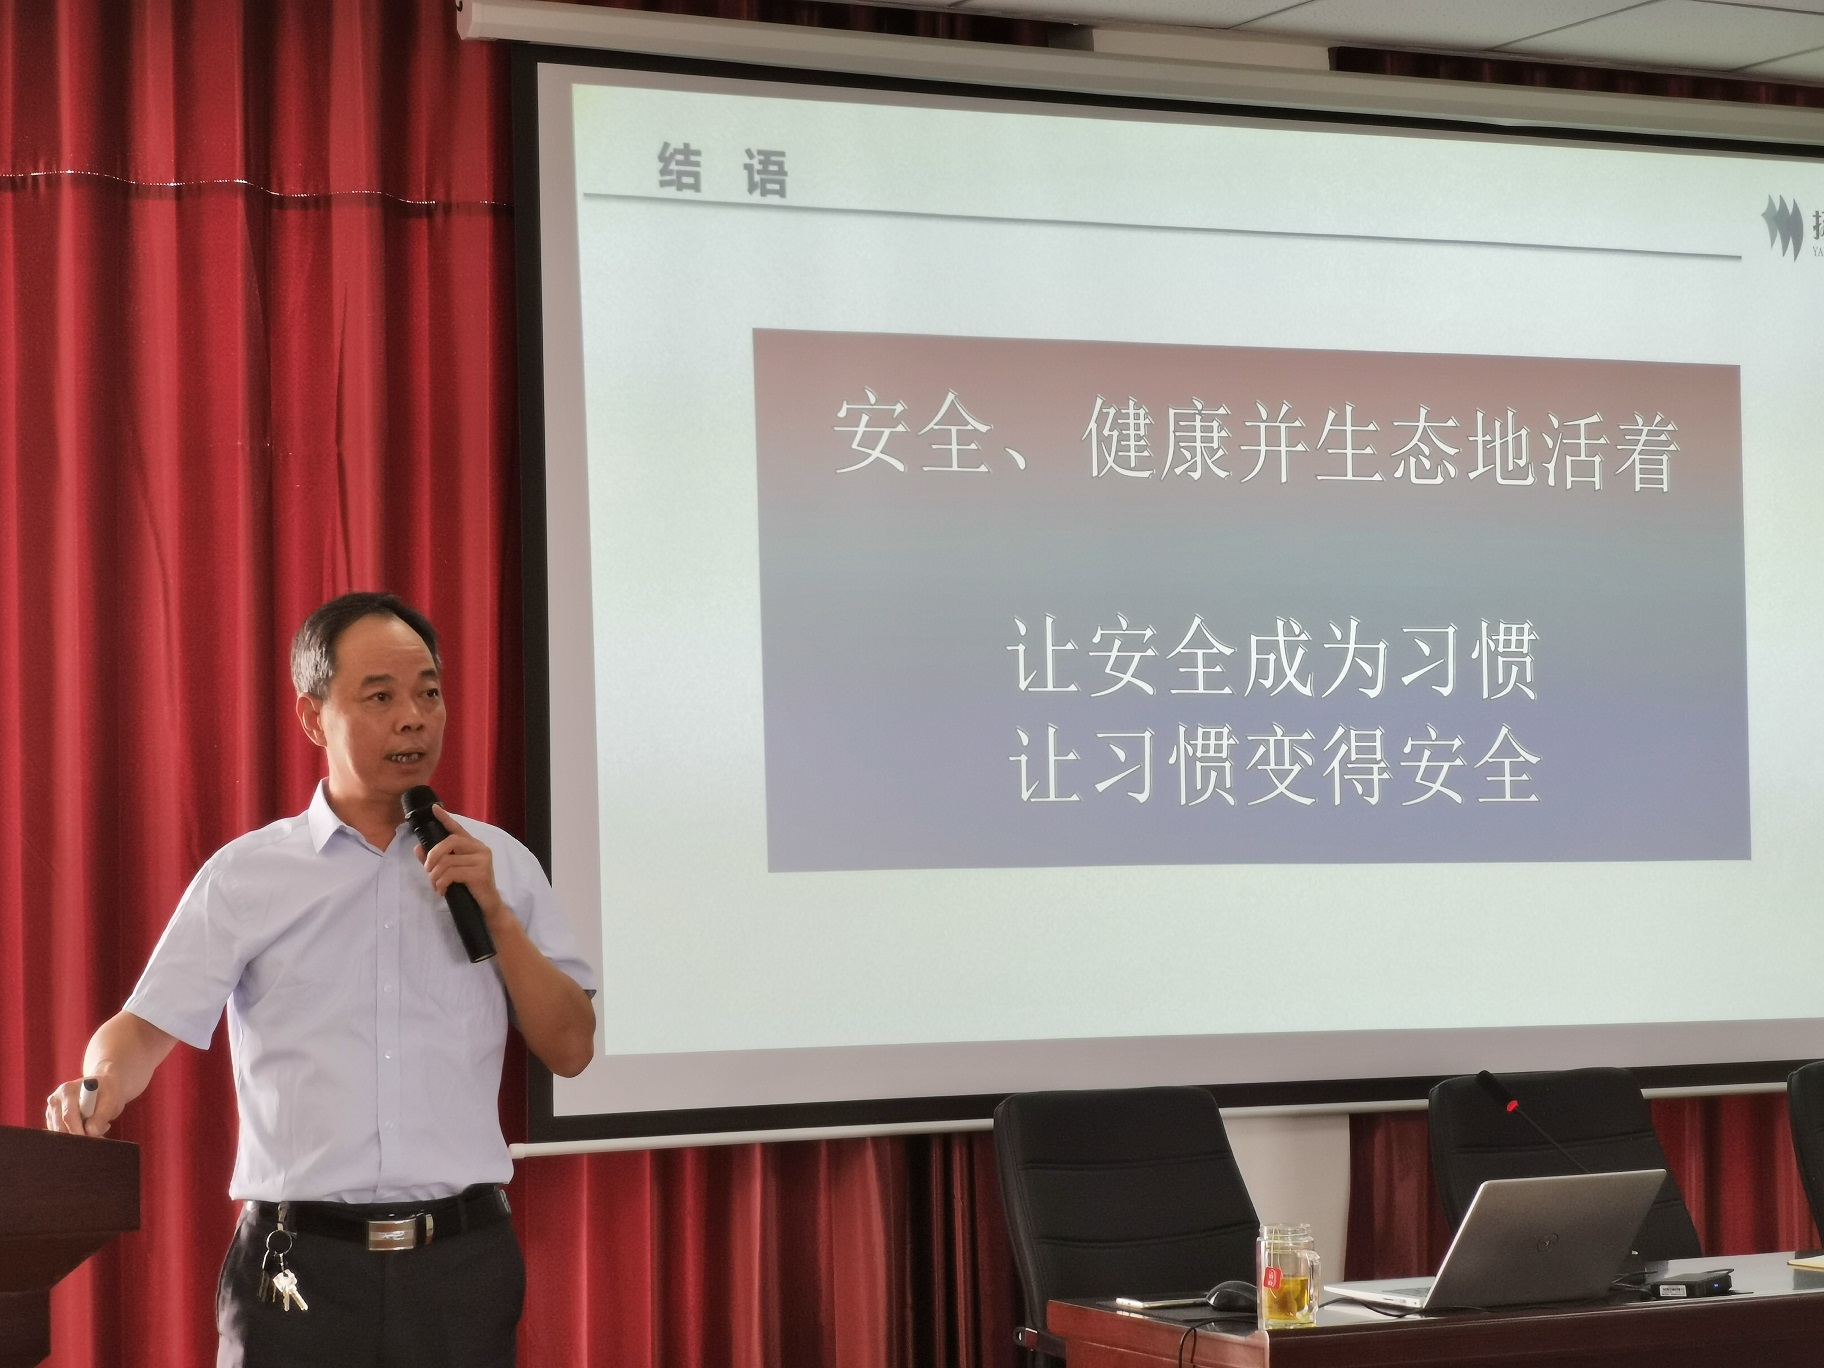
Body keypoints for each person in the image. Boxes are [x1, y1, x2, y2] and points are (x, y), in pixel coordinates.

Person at [44, 591, 597, 1367]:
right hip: (296, 1271)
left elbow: (571, 1047)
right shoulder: (248, 875)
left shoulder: (500, 864)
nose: (414, 718)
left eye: (429, 693)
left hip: (460, 1269)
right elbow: (140, 1029)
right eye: (381, 696)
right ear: (312, 717)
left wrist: (498, 916)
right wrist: (95, 1084)